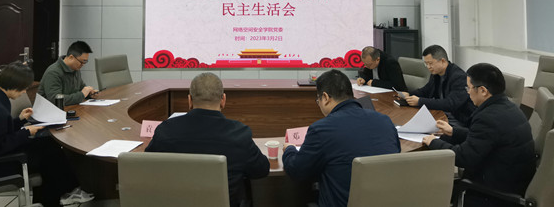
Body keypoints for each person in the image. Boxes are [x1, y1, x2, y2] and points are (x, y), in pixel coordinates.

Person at [0, 61, 92, 207]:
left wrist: (21, 120)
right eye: (23, 89)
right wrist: (26, 132)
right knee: (49, 156)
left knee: (48, 144)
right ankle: (58, 196)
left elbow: (0, 131)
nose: (24, 92)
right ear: (15, 85)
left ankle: (60, 193)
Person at [145, 72, 269, 207]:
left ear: (189, 100)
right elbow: (261, 170)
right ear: (223, 100)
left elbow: (148, 167)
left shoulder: (165, 131)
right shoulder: (239, 134)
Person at [422, 63, 536, 207]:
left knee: (432, 190)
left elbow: (463, 158)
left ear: (483, 90)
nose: (468, 93)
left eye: (469, 88)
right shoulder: (509, 107)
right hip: (513, 178)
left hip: (495, 193)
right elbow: (487, 137)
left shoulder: (487, 117)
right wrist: (453, 131)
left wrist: (433, 142)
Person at [282, 69, 400, 207]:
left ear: (325, 97)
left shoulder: (321, 129)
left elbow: (297, 171)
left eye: (318, 100)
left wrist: (289, 149)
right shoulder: (385, 121)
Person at [400, 44, 475, 125]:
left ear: (442, 61)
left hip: (458, 119)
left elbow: (450, 104)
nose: (428, 67)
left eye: (430, 63)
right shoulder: (436, 74)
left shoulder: (459, 77)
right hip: (442, 114)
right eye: (426, 64)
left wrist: (420, 101)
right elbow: (426, 91)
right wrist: (408, 94)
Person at [38, 40, 97, 105]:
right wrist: (82, 95)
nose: (83, 65)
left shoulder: (75, 69)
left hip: (69, 107)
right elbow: (56, 99)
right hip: (50, 109)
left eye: (85, 62)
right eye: (81, 62)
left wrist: (89, 93)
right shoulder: (53, 72)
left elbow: (81, 87)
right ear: (71, 57)